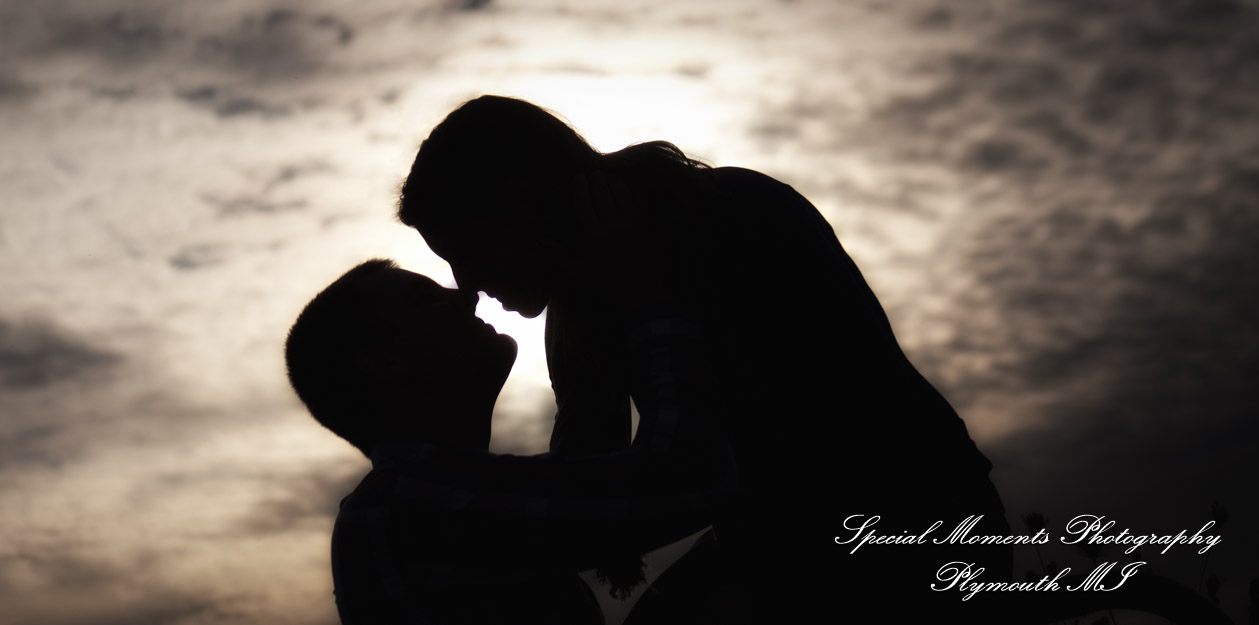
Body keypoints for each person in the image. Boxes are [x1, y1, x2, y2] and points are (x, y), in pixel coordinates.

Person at [397, 95, 1013, 622]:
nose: (465, 285)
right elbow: (591, 482)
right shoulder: (583, 299)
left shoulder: (729, 217)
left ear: (517, 205)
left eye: (464, 251)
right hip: (793, 538)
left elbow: (769, 455)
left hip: (901, 527)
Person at [284, 259, 735, 624]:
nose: (466, 295)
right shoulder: (415, 501)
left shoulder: (417, 501)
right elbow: (689, 474)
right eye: (423, 299)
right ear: (381, 363)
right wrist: (649, 293)